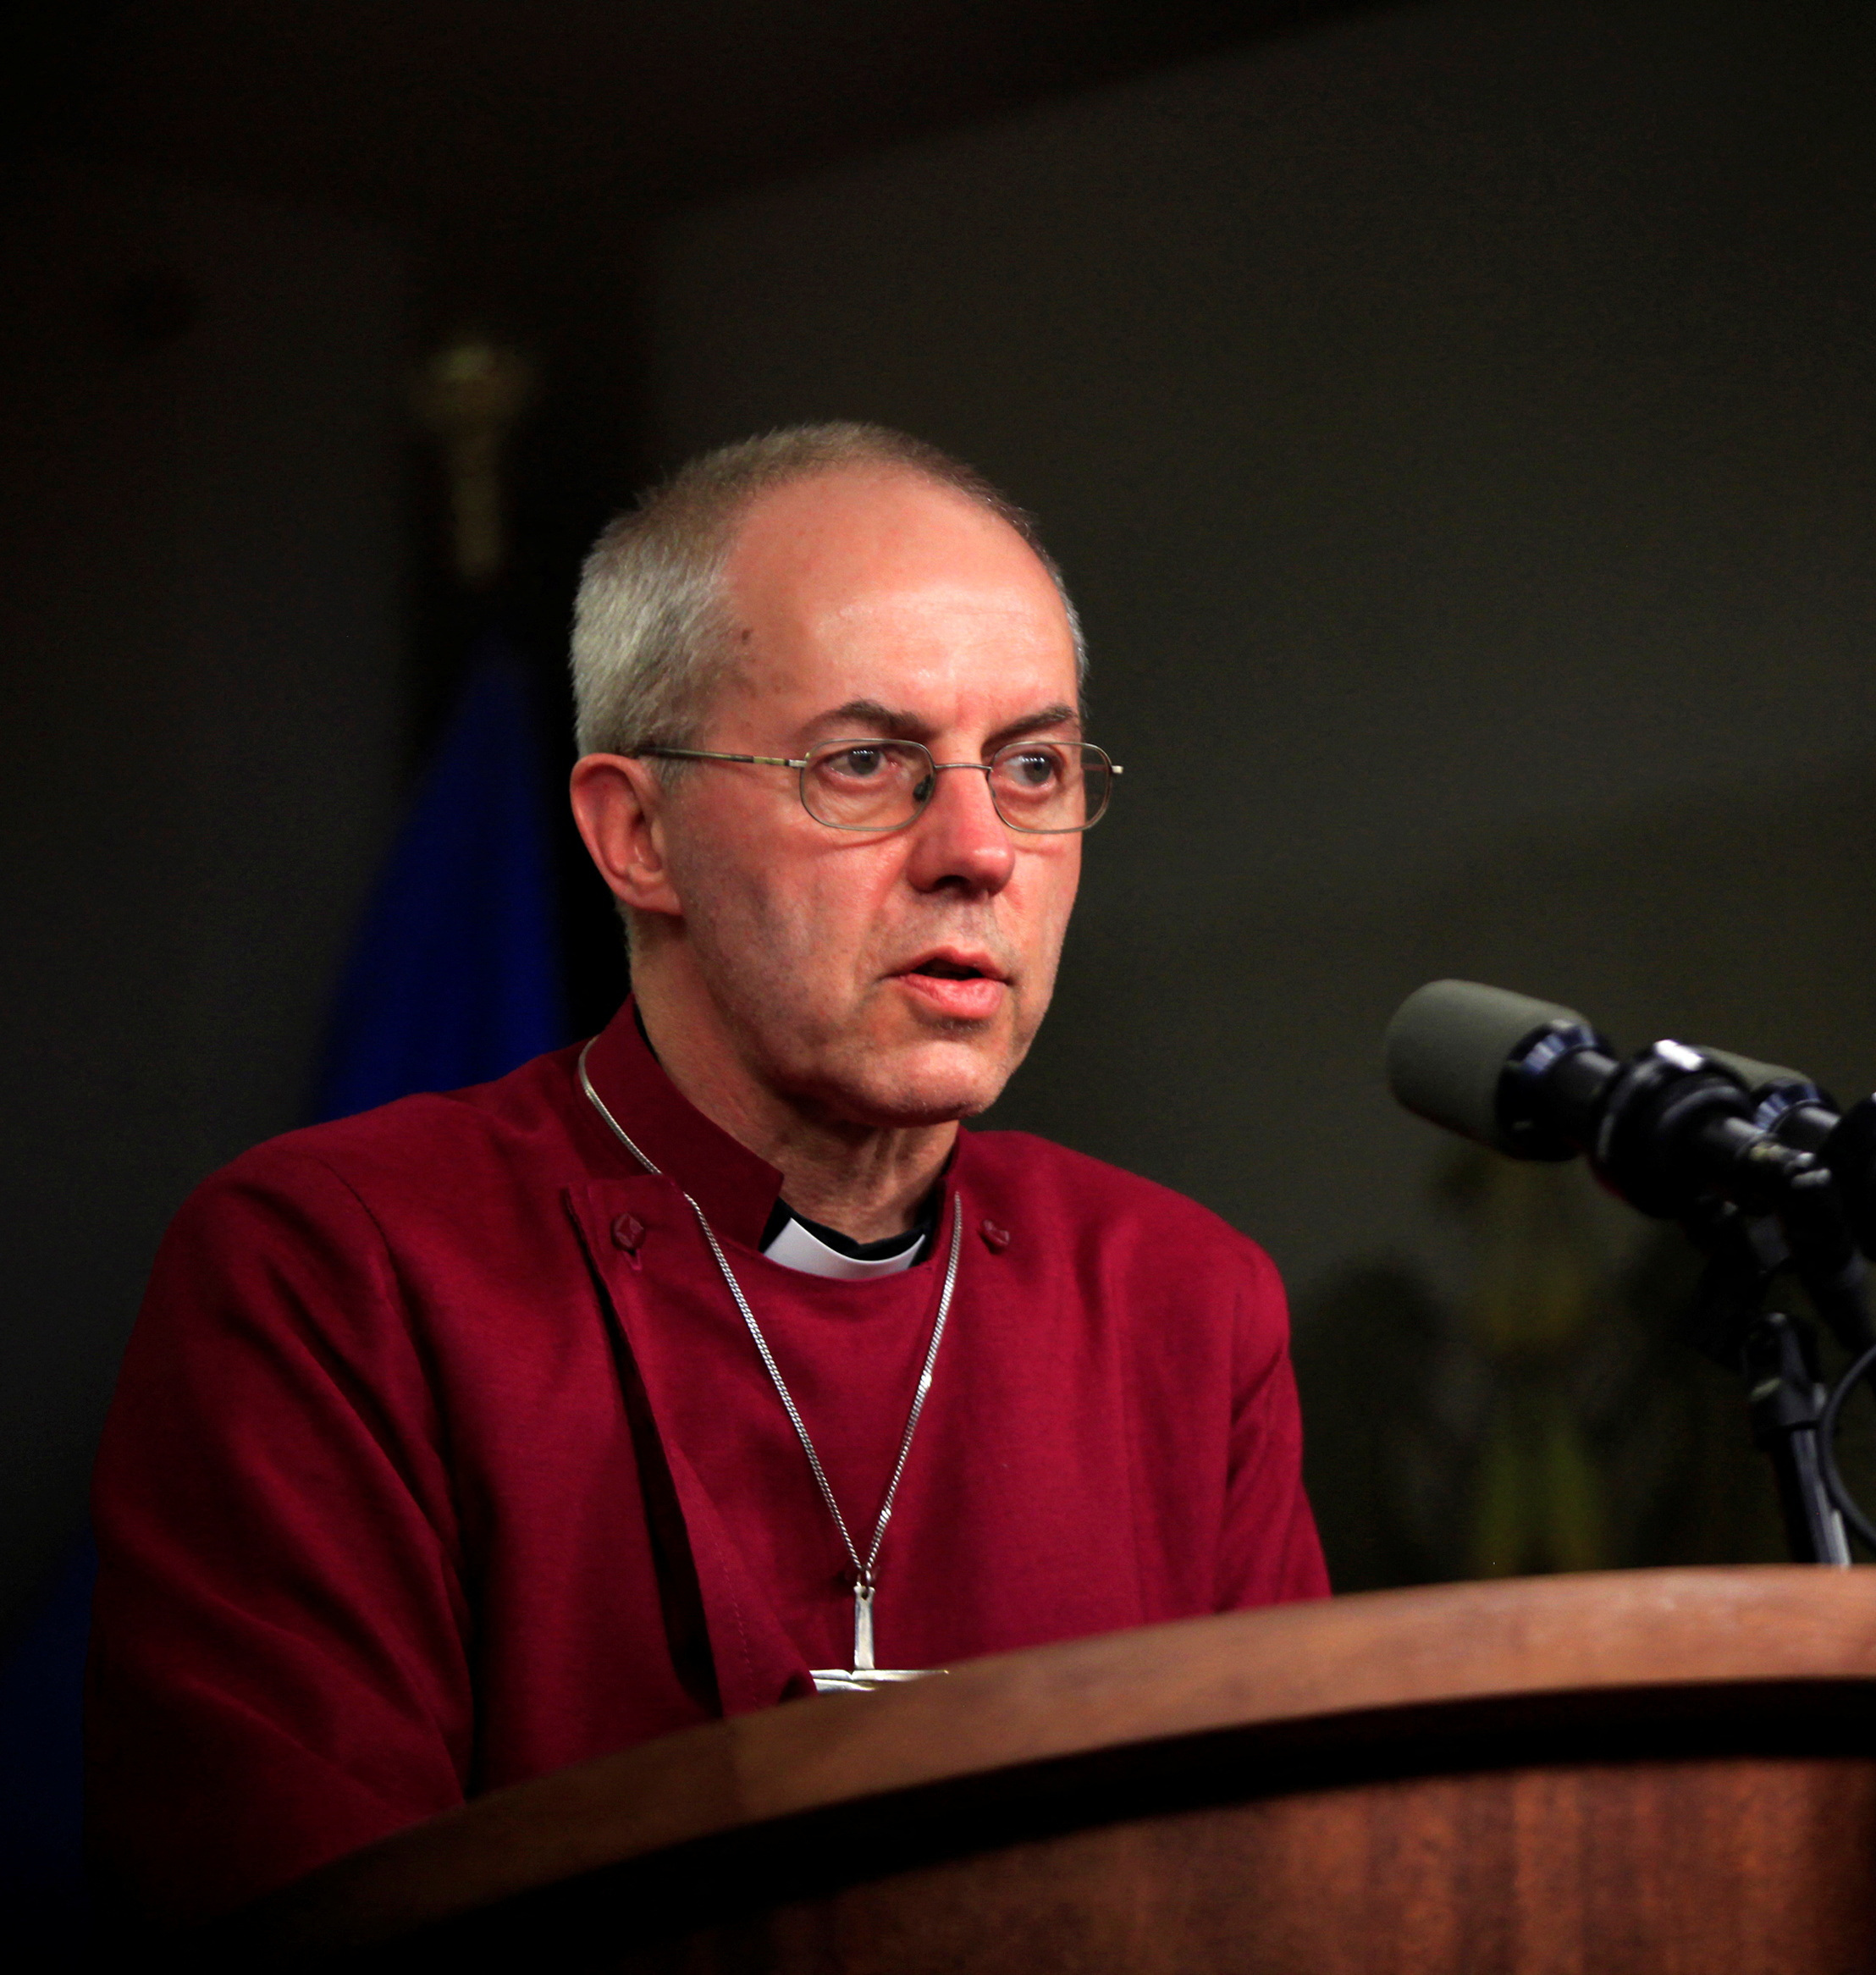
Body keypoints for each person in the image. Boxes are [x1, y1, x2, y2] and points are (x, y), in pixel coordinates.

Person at [86, 423, 1327, 1923]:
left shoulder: (1180, 1303)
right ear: (636, 834)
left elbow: (1289, 1897)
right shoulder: (337, 1269)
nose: (979, 849)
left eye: (1035, 765)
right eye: (866, 763)